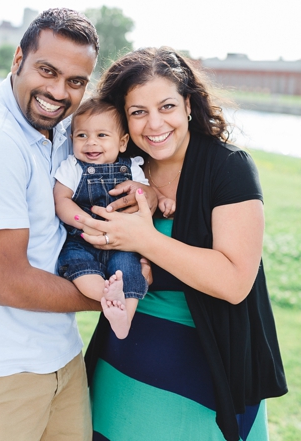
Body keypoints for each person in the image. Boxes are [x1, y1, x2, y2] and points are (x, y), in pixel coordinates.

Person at [0, 8, 154, 441]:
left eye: (75, 81)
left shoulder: (66, 128)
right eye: (46, 71)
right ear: (18, 60)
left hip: (60, 358)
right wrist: (119, 297)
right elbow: (9, 282)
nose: (57, 91)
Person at [76, 47, 287, 441]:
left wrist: (145, 238)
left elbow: (234, 282)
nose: (154, 123)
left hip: (207, 378)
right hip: (120, 372)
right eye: (138, 111)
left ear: (188, 105)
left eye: (167, 106)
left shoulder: (229, 167)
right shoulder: (120, 167)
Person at [54, 98, 172, 339]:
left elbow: (143, 194)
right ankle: (107, 297)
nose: (91, 142)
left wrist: (161, 200)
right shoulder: (73, 167)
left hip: (123, 245)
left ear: (122, 142)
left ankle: (123, 319)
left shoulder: (132, 168)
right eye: (82, 136)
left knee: (130, 273)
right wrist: (82, 221)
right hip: (82, 240)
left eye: (101, 135)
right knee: (80, 269)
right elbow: (61, 200)